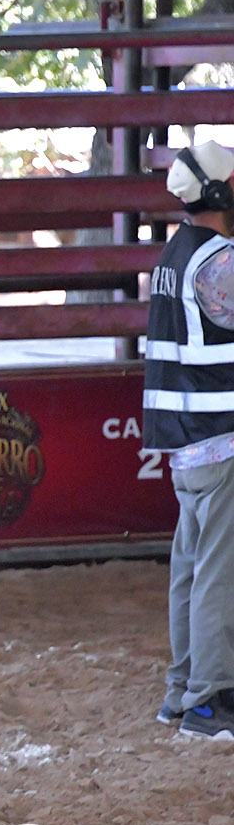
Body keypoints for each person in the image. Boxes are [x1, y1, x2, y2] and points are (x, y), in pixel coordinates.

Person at [143, 141, 234, 740]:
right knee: (218, 575)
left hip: (187, 443)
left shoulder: (174, 254)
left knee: (192, 568)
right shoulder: (220, 261)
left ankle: (181, 693)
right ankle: (207, 701)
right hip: (221, 437)